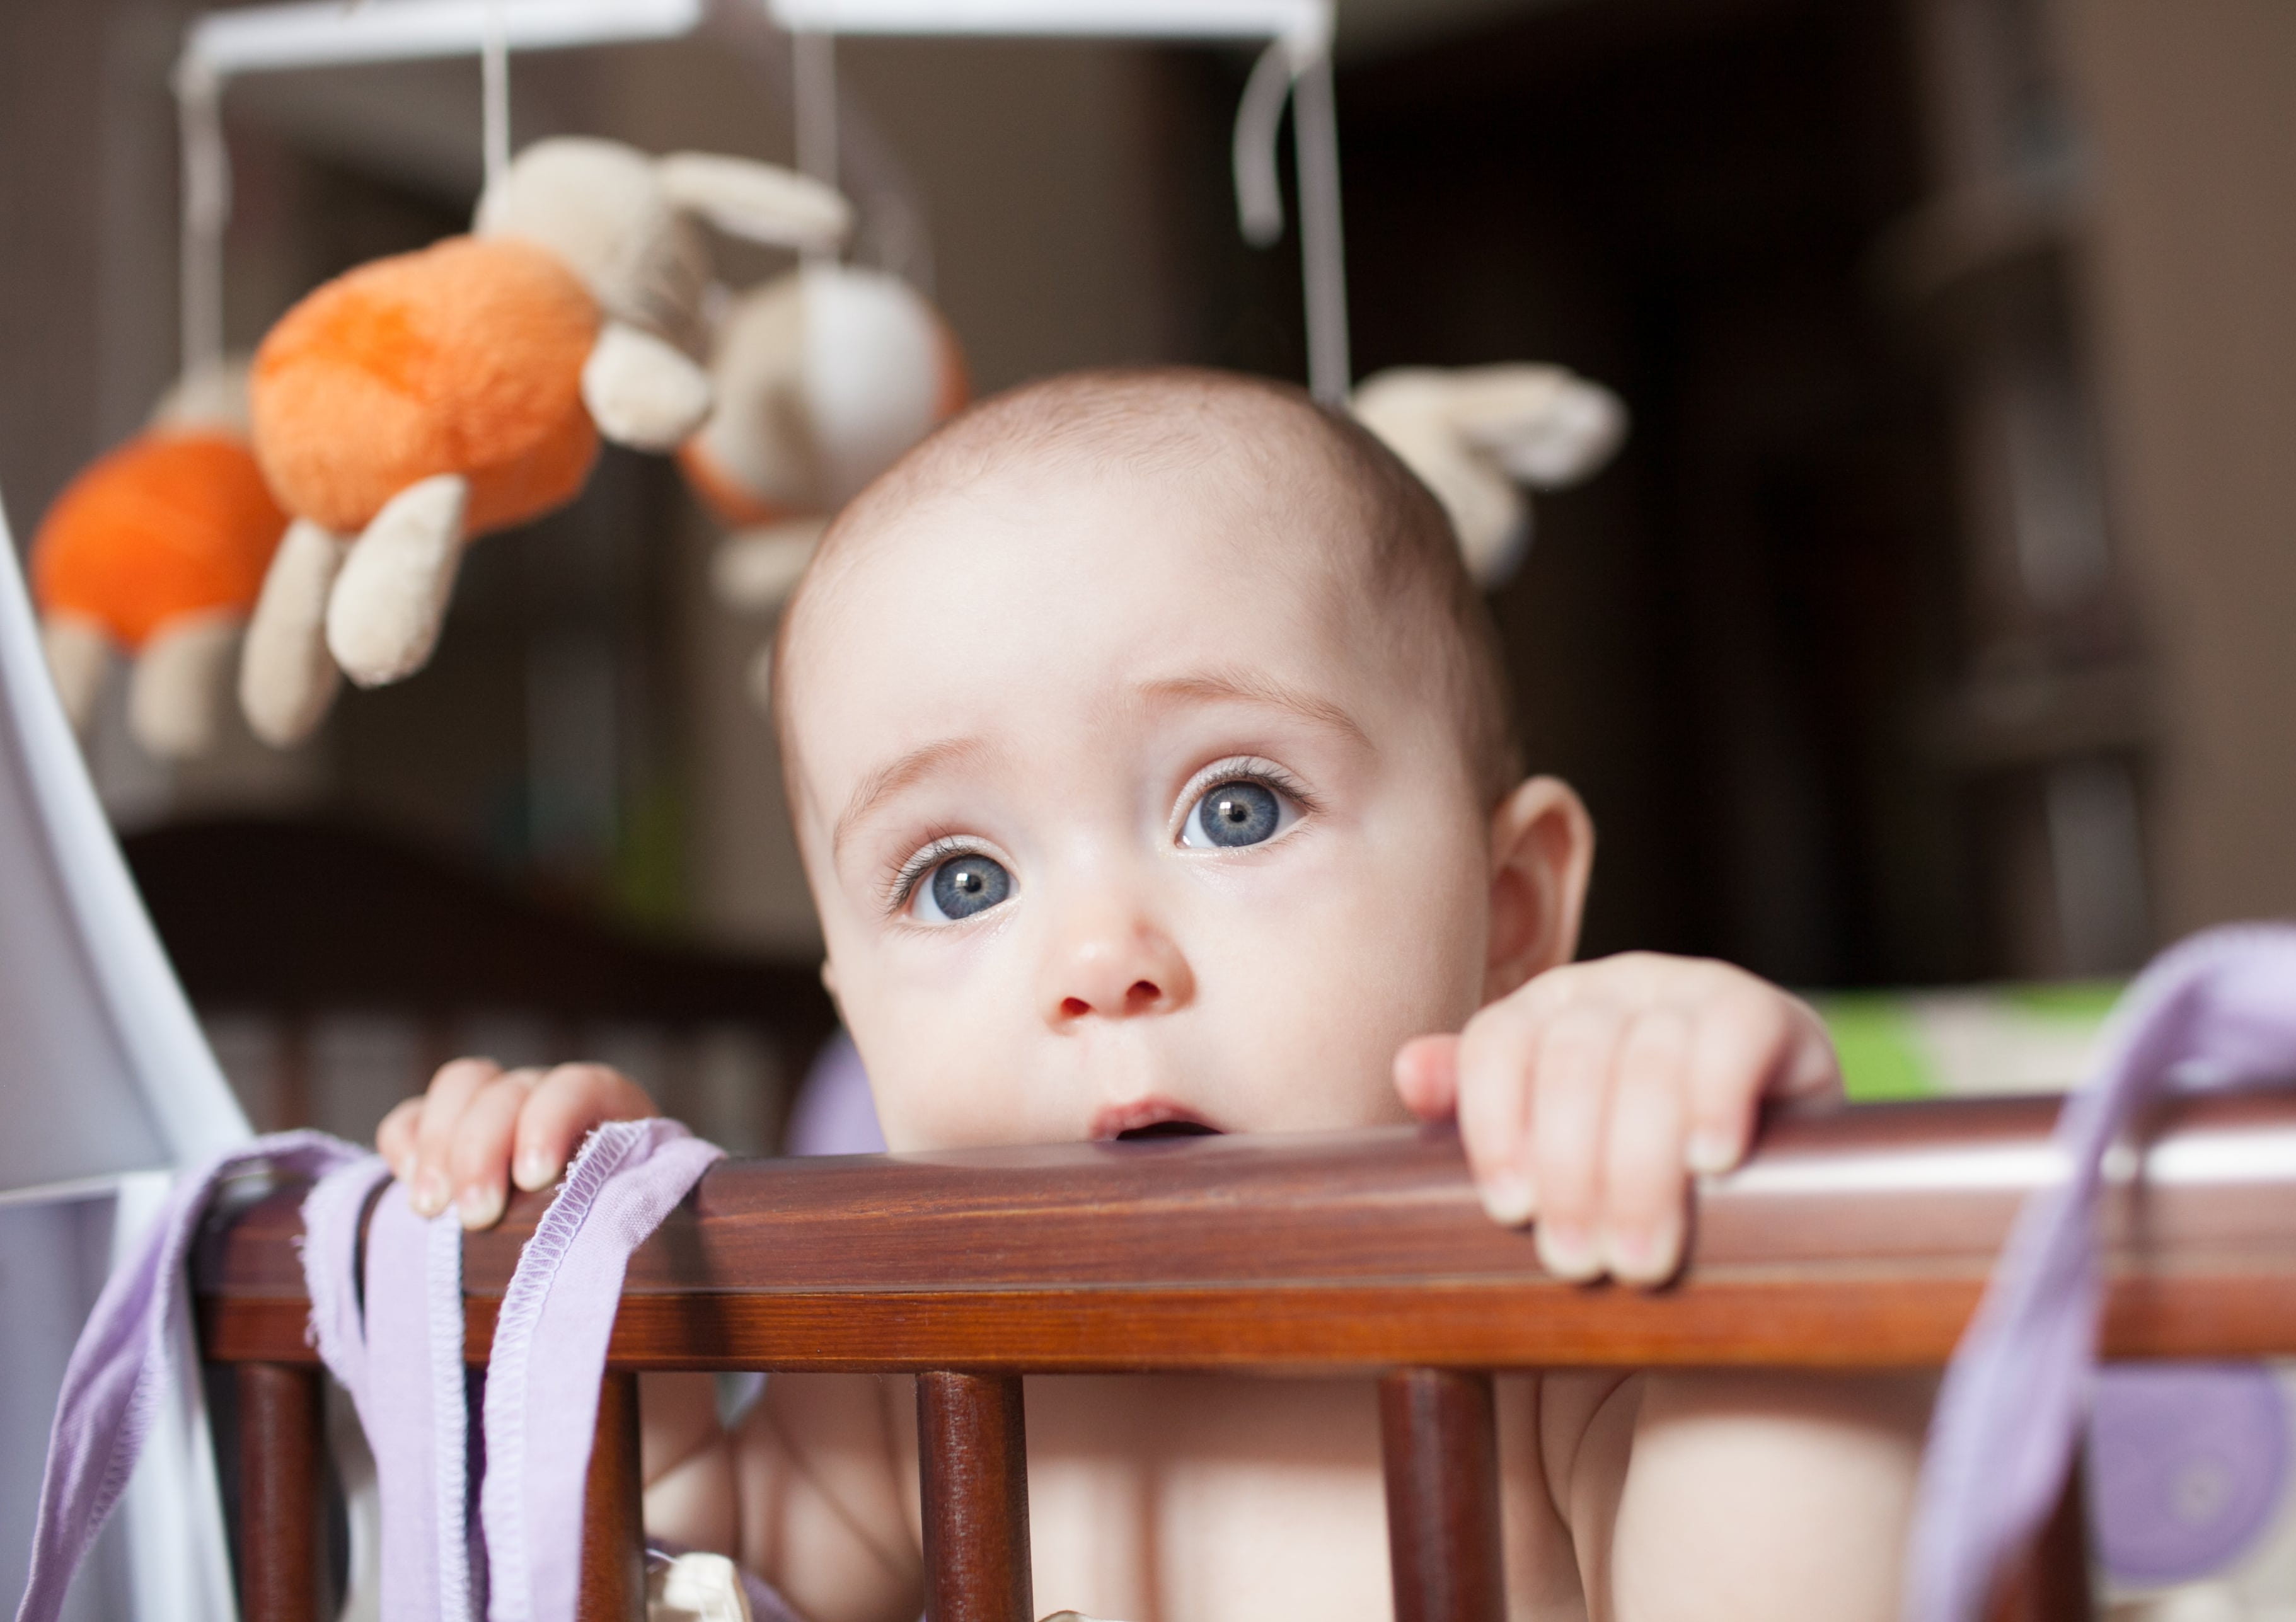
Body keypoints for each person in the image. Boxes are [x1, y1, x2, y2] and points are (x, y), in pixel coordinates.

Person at [379, 368, 1927, 1622]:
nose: (1102, 961)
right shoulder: (903, 1381)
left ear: (1512, 909)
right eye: (961, 880)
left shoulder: (1550, 1346)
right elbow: (592, 1577)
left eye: (1235, 808)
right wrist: (572, 1271)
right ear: (854, 1003)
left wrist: (1729, 1227)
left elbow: (1806, 1567)